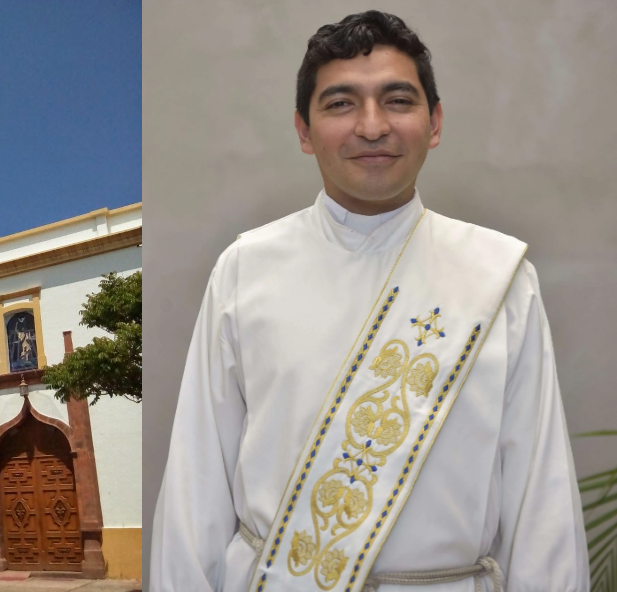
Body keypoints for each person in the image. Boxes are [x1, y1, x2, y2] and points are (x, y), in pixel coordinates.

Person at [150, 10, 589, 592]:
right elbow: (194, 483)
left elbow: (542, 500)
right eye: (340, 104)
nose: (372, 126)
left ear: (434, 122)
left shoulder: (499, 277)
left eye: (398, 100)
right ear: (304, 132)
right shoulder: (246, 268)